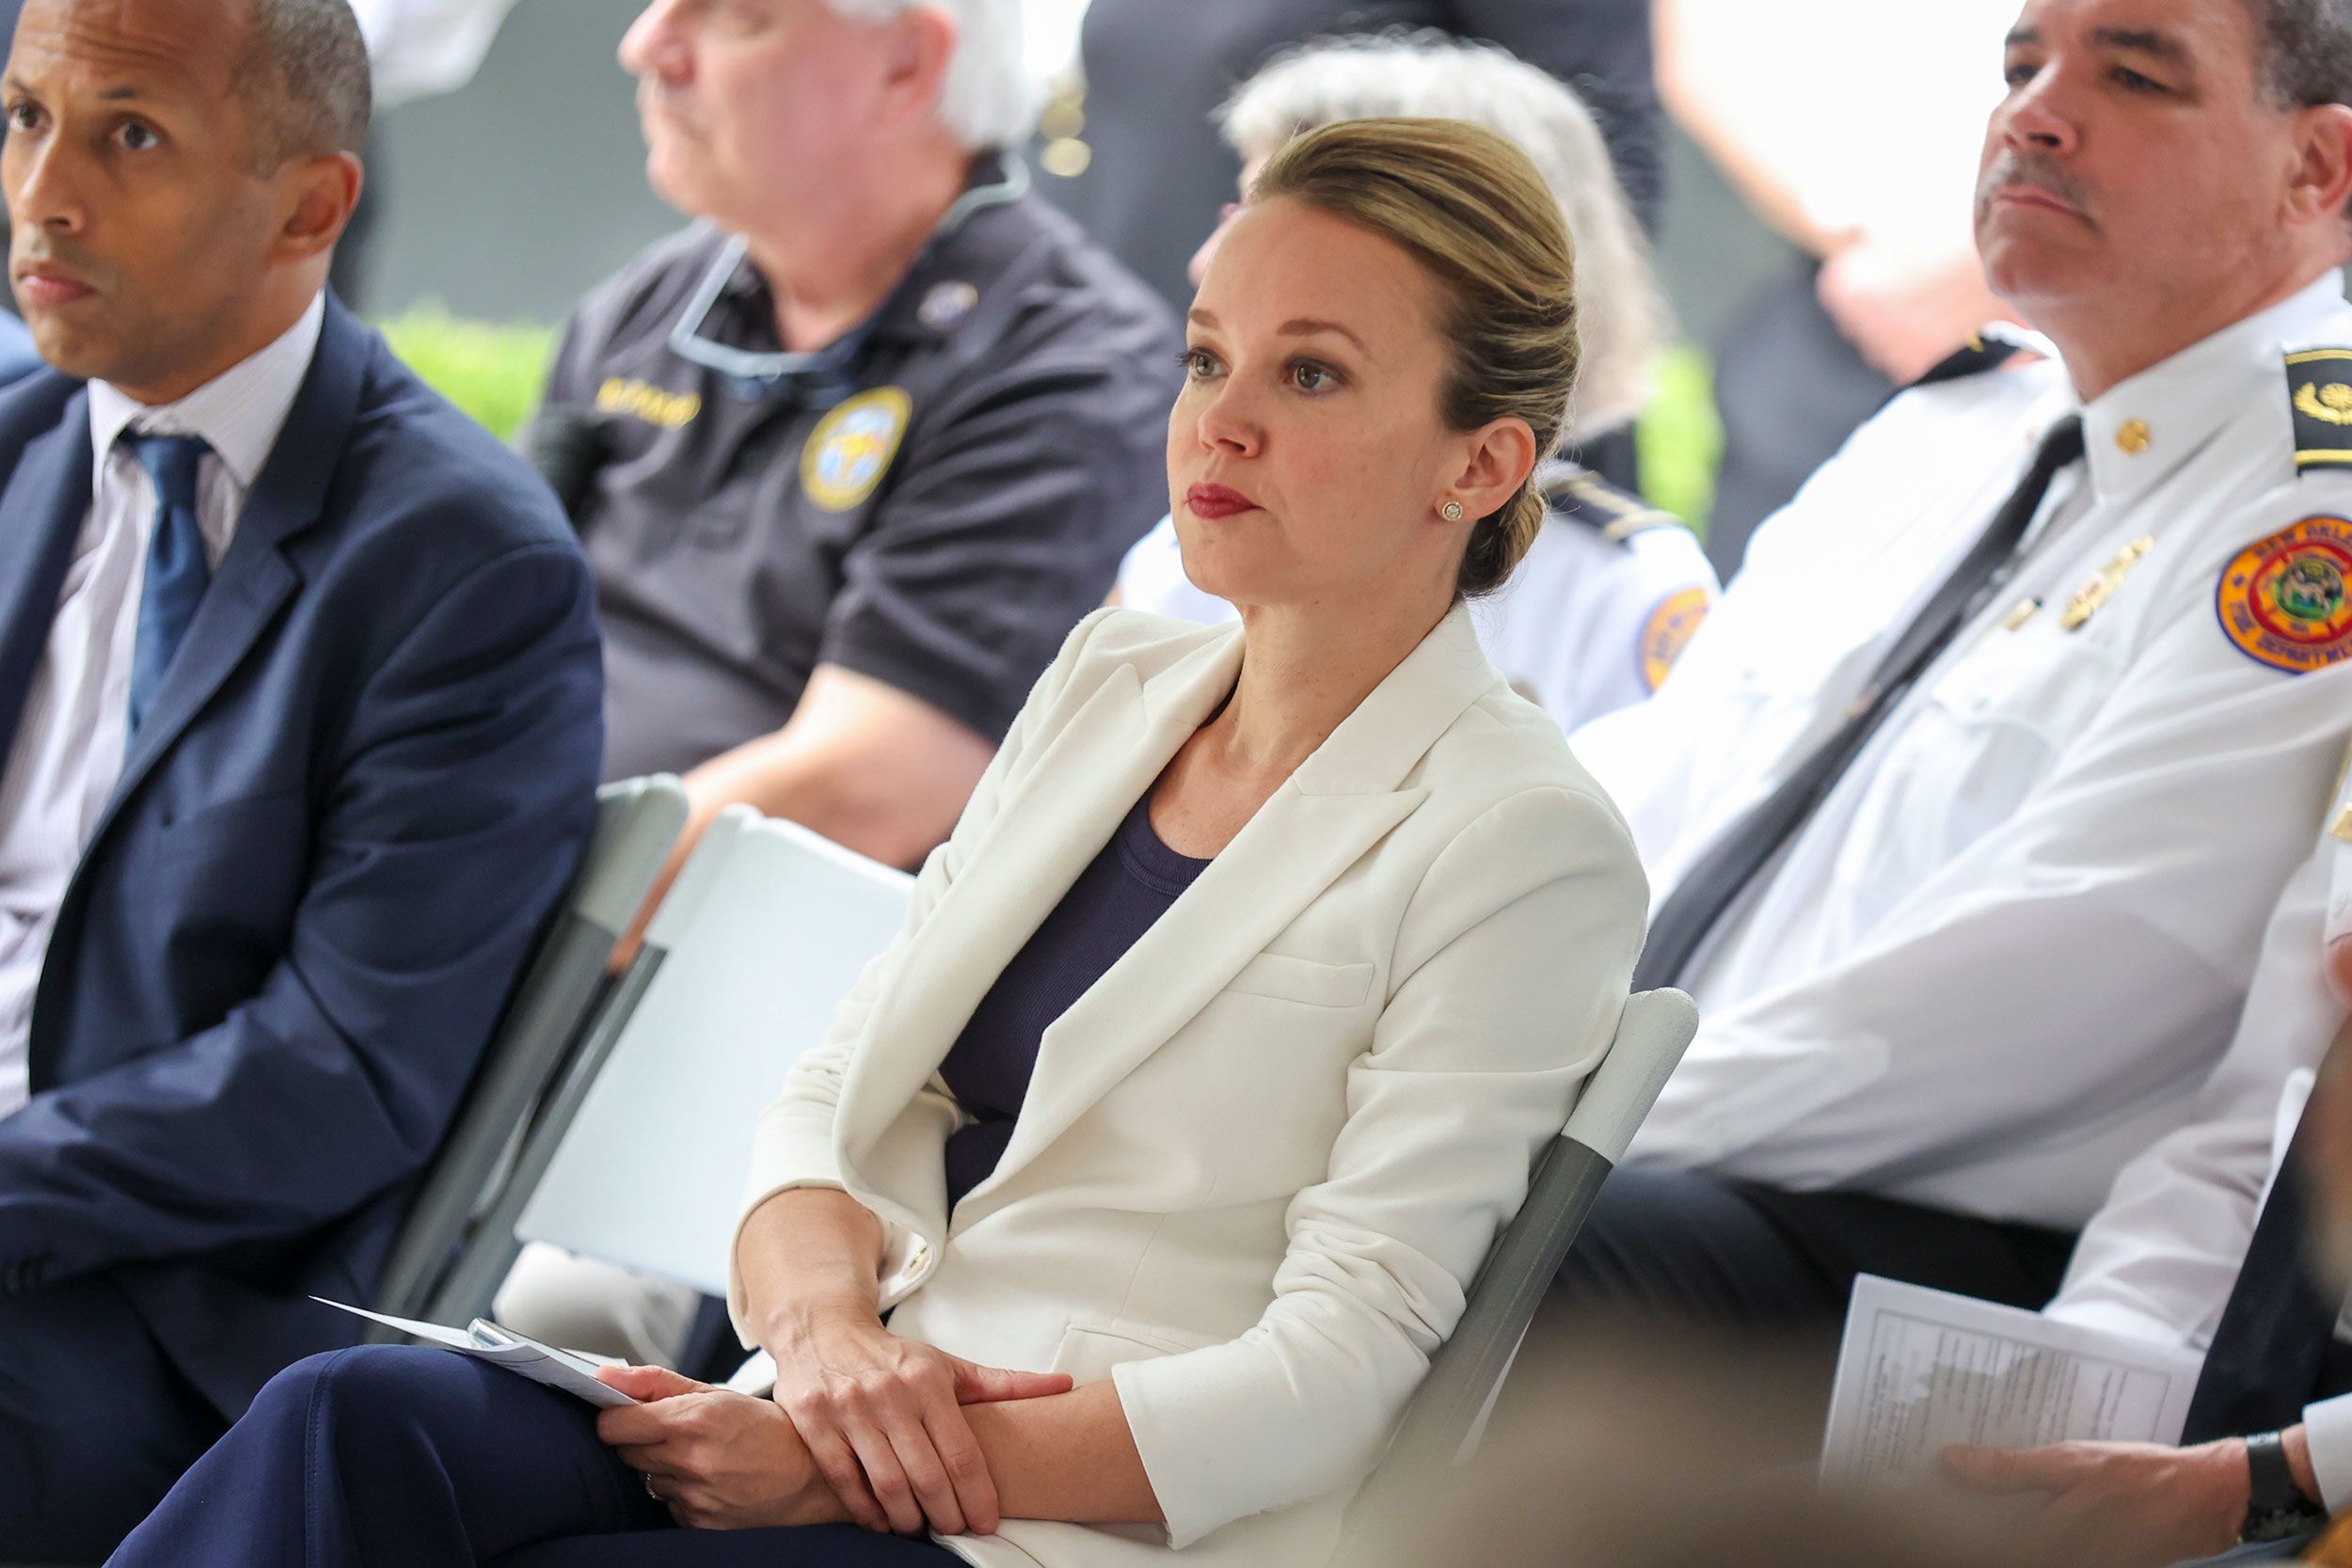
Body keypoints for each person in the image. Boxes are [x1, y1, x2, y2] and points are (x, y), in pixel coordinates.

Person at [110, 116, 1647, 1568]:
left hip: (1054, 1527)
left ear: (1482, 465)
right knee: (345, 1418)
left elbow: (1339, 1372)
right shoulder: (1112, 684)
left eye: (1311, 376)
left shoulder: (1520, 841)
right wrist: (829, 1348)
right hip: (829, 1415)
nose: (1220, 418)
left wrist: (845, 1456)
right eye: (1206, 356)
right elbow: (831, 1099)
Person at [1548, 0, 2352, 1345]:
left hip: (1928, 1247)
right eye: (2019, 64)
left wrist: (1568, 1116)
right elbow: (1656, 772)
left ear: (2317, 171)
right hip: (1669, 1142)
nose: (2035, 112)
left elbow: (2073, 971)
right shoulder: (1950, 426)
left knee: (1466, 1242)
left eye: (2136, 76)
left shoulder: (2309, 519)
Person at [0, 0, 605, 1558]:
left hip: (154, 1314)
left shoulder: (461, 565)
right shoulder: (14, 446)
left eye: (129, 133)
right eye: (22, 118)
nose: (43, 192)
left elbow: (338, 1071)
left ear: (313, 205)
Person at [494, 0, 1178, 1370]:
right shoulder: (656, 302)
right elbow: (464, 647)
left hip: (717, 1029)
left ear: (908, 62)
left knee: (514, 1341)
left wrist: (469, 900)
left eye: (728, 16)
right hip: (488, 940)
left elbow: (873, 781)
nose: (647, 45)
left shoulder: (1062, 362)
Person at [1109, 32, 1714, 733]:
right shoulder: (1195, 548)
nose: (1209, 260)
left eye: (1313, 374)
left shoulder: (1618, 594)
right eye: (1239, 215)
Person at [1660, 0, 2029, 578]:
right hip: (1843, 307)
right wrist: (1851, 229)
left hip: (2062, 327)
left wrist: (2009, 247)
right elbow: (1697, 36)